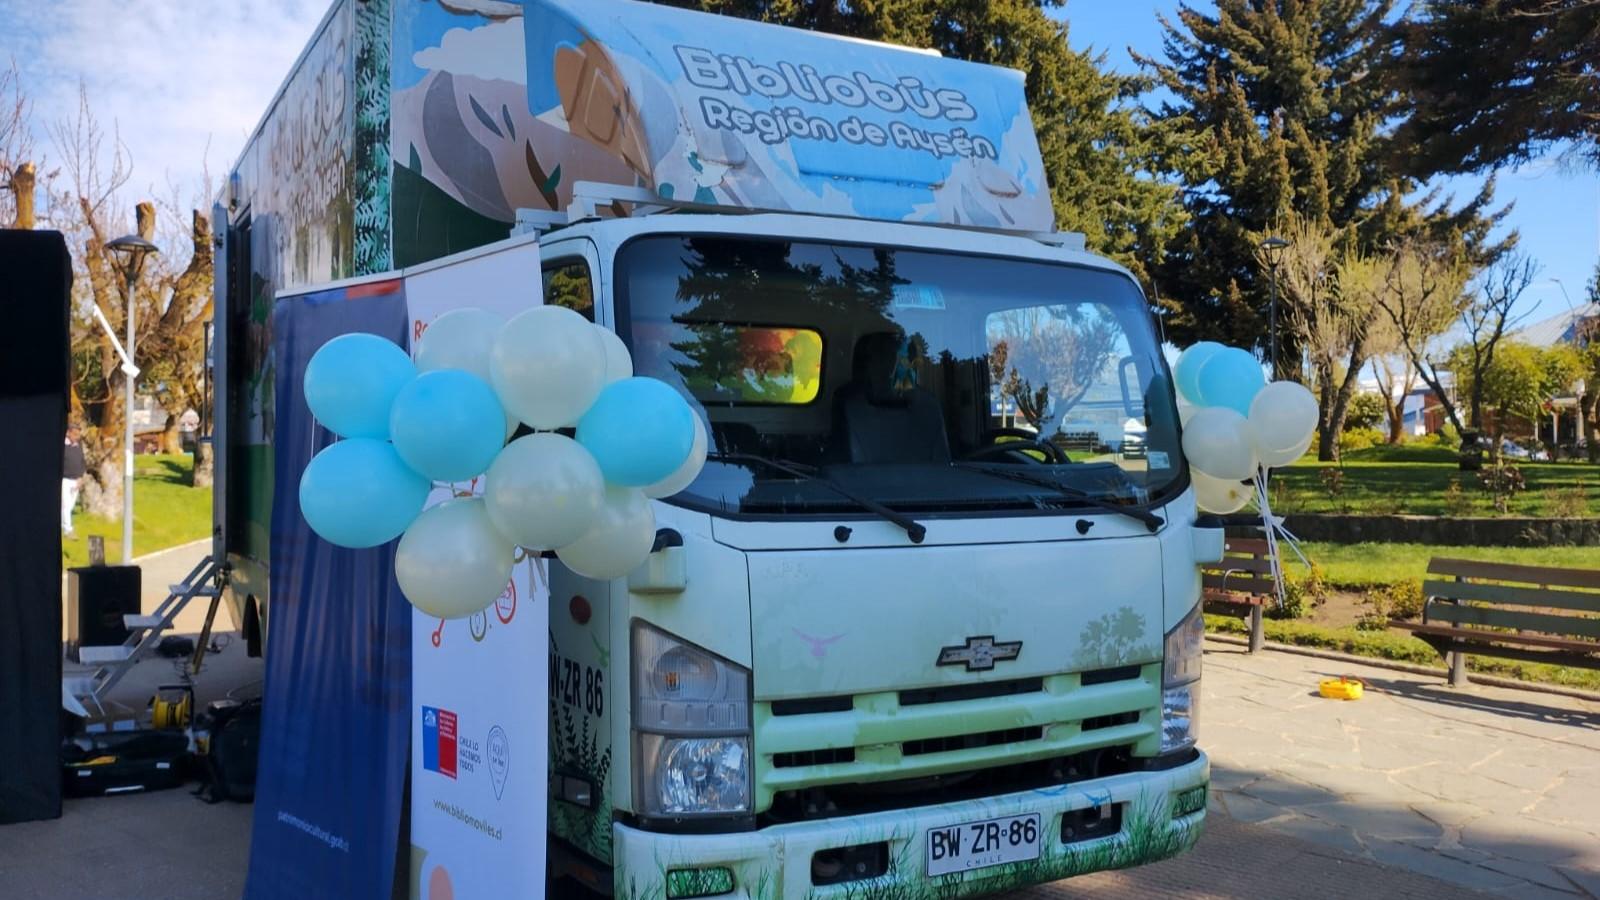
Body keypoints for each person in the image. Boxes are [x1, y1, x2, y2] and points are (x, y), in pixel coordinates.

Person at [63, 423, 86, 537]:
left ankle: (64, 525)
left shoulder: (78, 446)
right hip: (65, 480)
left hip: (76, 480)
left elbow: (82, 462)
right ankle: (68, 530)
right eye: (75, 434)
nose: (77, 437)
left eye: (78, 435)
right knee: (66, 505)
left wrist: (81, 477)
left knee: (70, 506)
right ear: (68, 433)